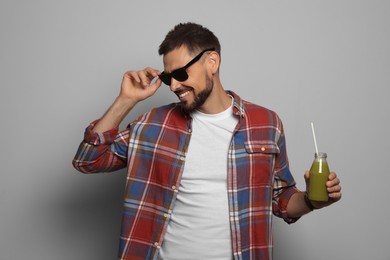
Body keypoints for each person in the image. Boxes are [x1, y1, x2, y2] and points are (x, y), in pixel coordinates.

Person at [72, 22, 342, 260]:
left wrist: (311, 200)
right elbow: (88, 160)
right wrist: (126, 100)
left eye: (180, 74)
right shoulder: (153, 124)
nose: (174, 86)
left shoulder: (266, 124)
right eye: (168, 78)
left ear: (212, 62)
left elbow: (281, 200)